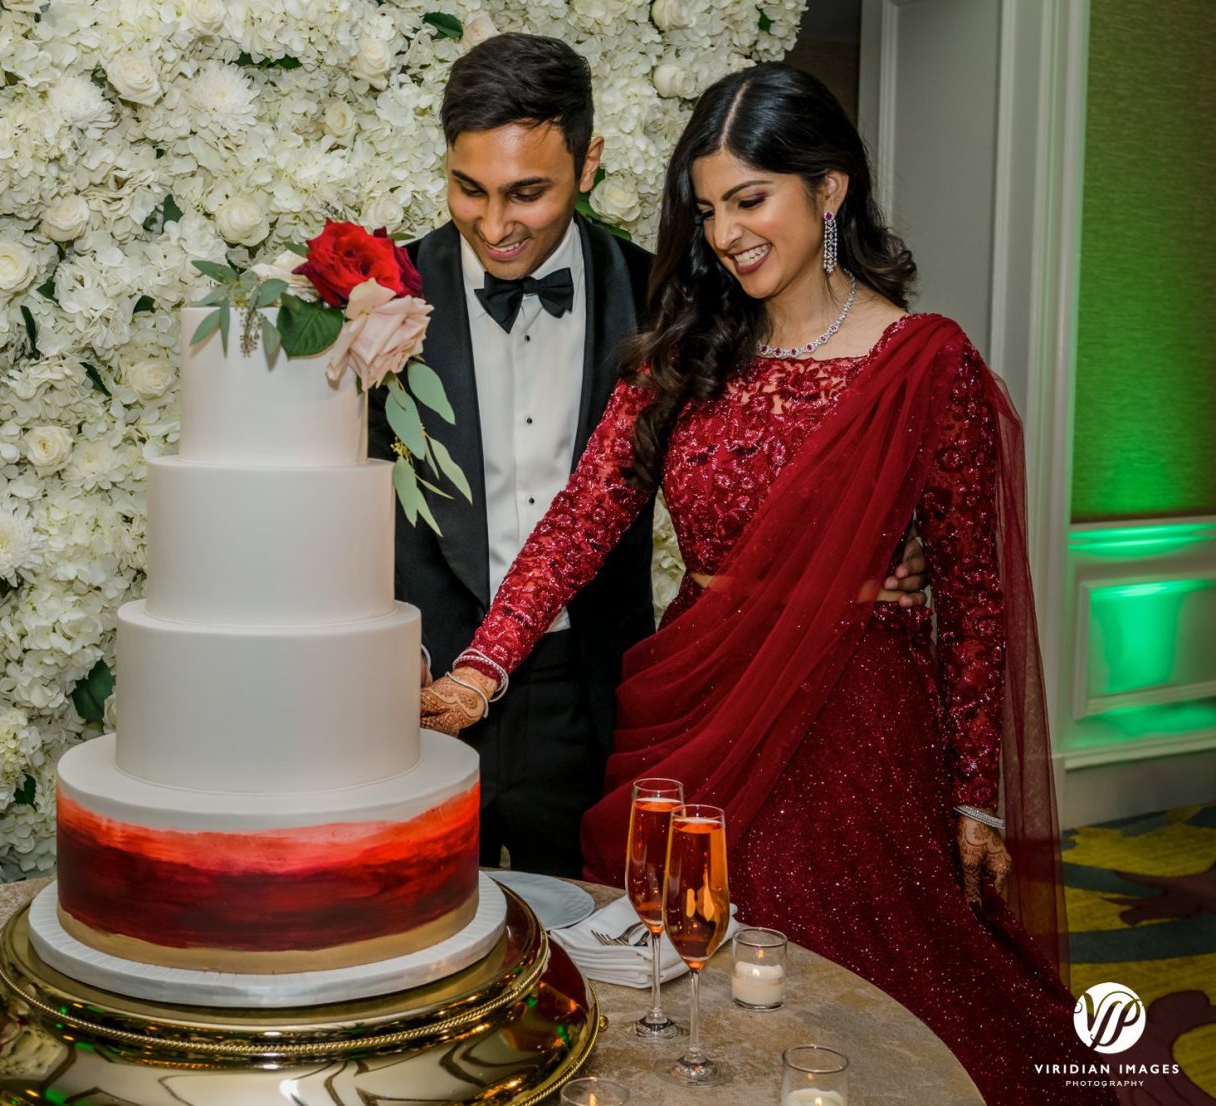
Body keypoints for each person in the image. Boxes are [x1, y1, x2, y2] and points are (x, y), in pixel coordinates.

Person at [420, 62, 1110, 1105]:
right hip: (696, 724)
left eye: (751, 200)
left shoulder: (925, 364)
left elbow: (975, 599)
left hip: (855, 736)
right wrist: (482, 666)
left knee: (853, 1009)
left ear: (827, 189)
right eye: (706, 211)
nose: (727, 234)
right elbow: (582, 517)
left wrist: (975, 792)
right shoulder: (689, 349)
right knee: (691, 1007)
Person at [378, 35, 923, 878]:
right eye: (469, 188)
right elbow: (343, 501)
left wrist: (870, 557)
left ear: (587, 162)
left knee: (613, 954)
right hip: (422, 692)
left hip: (601, 691)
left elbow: (775, 464)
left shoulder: (674, 298)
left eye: (527, 192)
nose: (494, 225)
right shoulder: (375, 300)